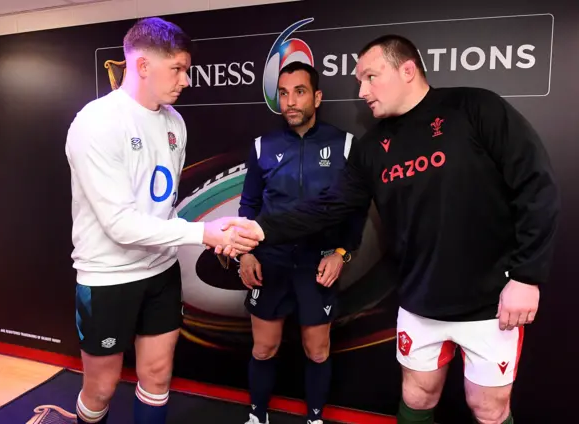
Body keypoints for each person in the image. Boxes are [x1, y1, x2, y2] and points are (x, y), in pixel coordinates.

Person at [220, 35, 561, 424]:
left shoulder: (475, 107)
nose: (361, 91)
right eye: (358, 81)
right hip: (418, 301)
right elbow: (327, 208)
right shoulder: (371, 147)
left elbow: (536, 185)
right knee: (416, 397)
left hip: (491, 304)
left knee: (488, 408)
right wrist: (257, 231)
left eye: (369, 77)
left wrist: (526, 277)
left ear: (407, 70)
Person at [65, 17, 261, 424]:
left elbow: (163, 207)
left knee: (157, 374)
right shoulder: (96, 122)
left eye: (186, 69)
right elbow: (119, 224)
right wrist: (203, 233)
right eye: (177, 69)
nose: (186, 80)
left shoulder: (174, 122)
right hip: (108, 277)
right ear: (141, 66)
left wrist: (215, 235)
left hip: (160, 271)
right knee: (101, 388)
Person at [236, 61, 367, 424]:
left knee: (318, 351)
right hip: (271, 263)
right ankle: (257, 416)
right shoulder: (263, 145)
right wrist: (245, 254)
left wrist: (342, 253)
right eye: (283, 93)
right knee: (264, 349)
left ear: (317, 97)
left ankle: (313, 418)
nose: (289, 101)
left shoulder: (344, 144)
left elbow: (355, 210)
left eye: (299, 91)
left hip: (317, 263)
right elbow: (248, 206)